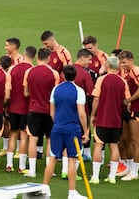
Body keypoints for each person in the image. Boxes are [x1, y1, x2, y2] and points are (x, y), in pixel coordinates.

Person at [43, 65, 89, 199]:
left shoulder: (56, 89)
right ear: (75, 76)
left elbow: (52, 112)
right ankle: (72, 192)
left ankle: (44, 189)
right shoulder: (78, 91)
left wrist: (58, 122)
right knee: (72, 160)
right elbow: (81, 113)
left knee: (53, 159)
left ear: (63, 75)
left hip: (57, 127)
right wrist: (85, 130)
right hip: (72, 129)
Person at [89, 56, 131, 184]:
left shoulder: (102, 79)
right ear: (118, 67)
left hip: (102, 118)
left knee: (98, 145)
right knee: (114, 147)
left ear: (107, 66)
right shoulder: (122, 82)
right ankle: (112, 176)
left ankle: (95, 177)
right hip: (116, 120)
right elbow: (127, 101)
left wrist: (93, 114)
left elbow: (96, 98)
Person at [23, 48, 60, 177]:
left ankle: (32, 170)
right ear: (48, 58)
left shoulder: (29, 71)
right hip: (49, 111)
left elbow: (26, 92)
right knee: (50, 139)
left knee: (33, 139)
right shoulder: (54, 73)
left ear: (37, 57)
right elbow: (56, 95)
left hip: (34, 110)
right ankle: (50, 170)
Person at [61, 49, 94, 180]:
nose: (90, 63)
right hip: (79, 113)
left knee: (65, 143)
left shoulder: (64, 72)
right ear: (82, 58)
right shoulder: (85, 74)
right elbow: (91, 93)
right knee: (78, 142)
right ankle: (72, 171)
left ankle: (64, 170)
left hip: (64, 113)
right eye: (89, 60)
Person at [5, 46, 36, 173]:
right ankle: (21, 166)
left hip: (13, 107)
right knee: (24, 137)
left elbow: (8, 87)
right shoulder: (32, 70)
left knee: (12, 134)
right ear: (34, 56)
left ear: (24, 54)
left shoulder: (12, 68)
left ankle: (9, 164)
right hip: (25, 108)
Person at [0, 37, 24, 157]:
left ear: (14, 47)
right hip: (6, 93)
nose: (5, 47)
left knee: (17, 124)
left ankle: (18, 150)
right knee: (5, 121)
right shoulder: (6, 59)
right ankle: (5, 147)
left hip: (16, 95)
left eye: (7, 45)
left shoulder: (21, 60)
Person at [118, 50, 139, 181]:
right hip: (126, 111)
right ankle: (129, 167)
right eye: (120, 62)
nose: (122, 65)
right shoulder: (125, 72)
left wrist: (129, 100)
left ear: (131, 60)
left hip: (136, 110)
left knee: (135, 140)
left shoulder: (136, 71)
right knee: (125, 139)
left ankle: (135, 171)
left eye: (124, 62)